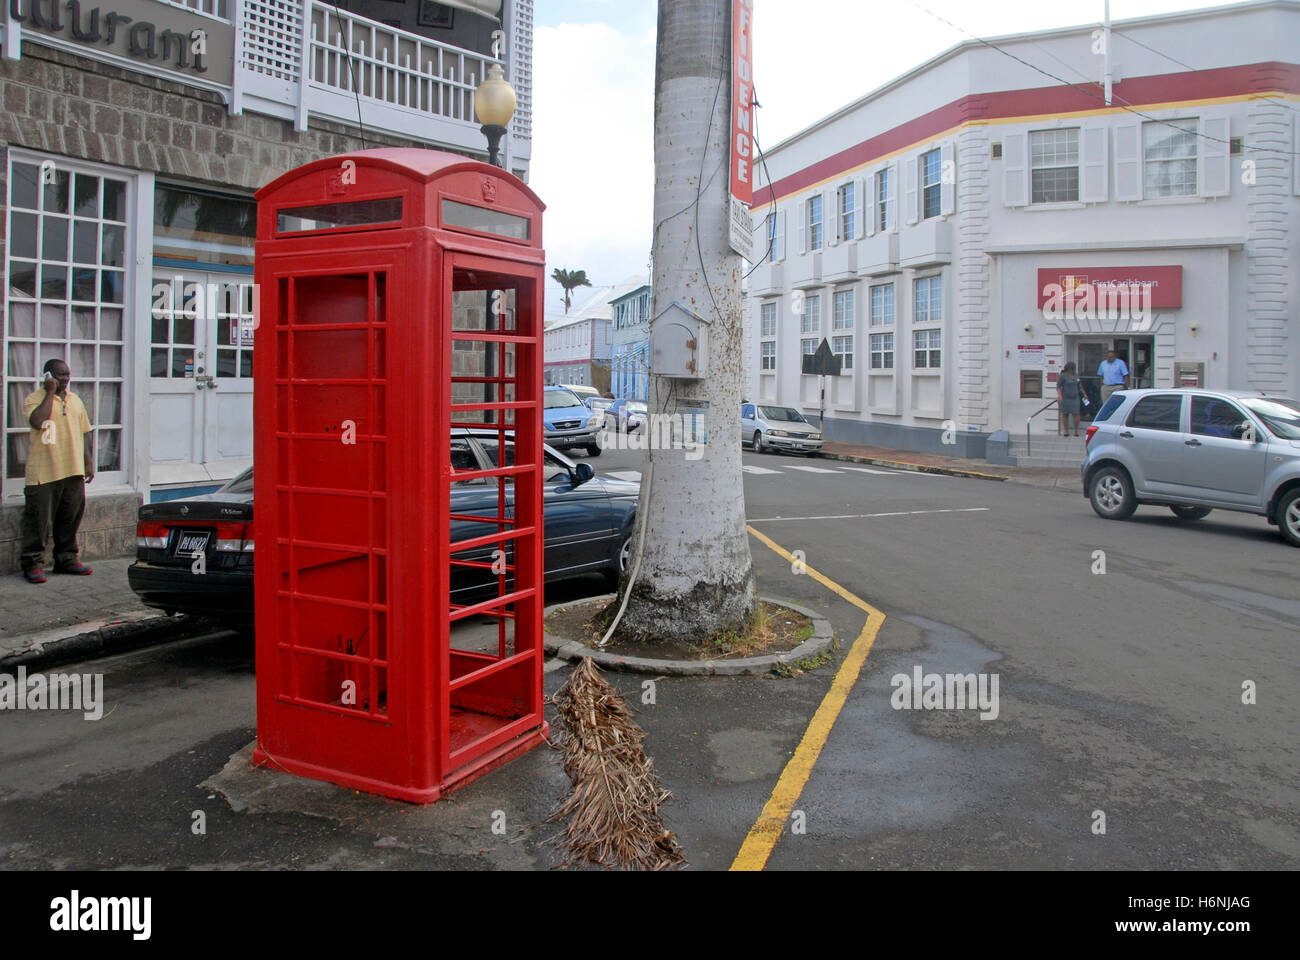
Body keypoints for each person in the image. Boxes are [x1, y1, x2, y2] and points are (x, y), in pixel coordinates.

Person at [19, 359, 95, 583]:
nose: (65, 379)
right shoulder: (34, 399)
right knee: (38, 521)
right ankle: (32, 564)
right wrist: (49, 392)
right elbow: (38, 421)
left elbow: (84, 431)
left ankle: (66, 560)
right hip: (43, 472)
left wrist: (88, 463)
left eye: (67, 374)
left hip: (72, 469)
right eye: (60, 375)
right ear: (48, 376)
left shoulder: (75, 400)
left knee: (69, 518)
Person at [1057, 362, 1083, 436]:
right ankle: (1066, 431)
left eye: (1073, 369)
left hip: (1075, 398)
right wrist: (1059, 395)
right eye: (1071, 369)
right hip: (1065, 398)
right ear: (1067, 369)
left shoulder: (1076, 376)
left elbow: (1080, 386)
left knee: (1076, 414)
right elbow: (1059, 386)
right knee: (1065, 414)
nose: (1072, 370)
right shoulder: (1063, 376)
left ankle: (1076, 431)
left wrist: (1084, 394)